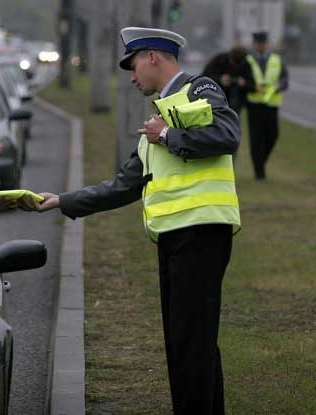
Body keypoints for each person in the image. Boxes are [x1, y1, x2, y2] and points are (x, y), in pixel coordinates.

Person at [22, 27, 241, 415]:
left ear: (153, 57)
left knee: (191, 342)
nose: (132, 75)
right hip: (174, 239)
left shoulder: (199, 90)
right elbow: (123, 185)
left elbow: (227, 135)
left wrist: (169, 135)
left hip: (203, 234)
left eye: (134, 64)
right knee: (186, 343)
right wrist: (61, 201)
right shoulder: (156, 120)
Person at [245, 31, 289, 180]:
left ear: (267, 44)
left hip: (272, 104)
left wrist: (279, 85)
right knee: (256, 139)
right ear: (253, 44)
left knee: (272, 136)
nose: (261, 46)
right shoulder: (247, 60)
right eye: (258, 43)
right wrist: (252, 87)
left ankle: (260, 162)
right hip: (254, 105)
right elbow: (243, 81)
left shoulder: (277, 59)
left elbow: (285, 79)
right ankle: (259, 173)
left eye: (263, 43)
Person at [202, 45, 252, 116]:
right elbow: (204, 77)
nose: (235, 66)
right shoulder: (219, 60)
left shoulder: (246, 64)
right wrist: (220, 79)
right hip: (217, 99)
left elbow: (252, 84)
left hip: (237, 99)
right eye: (233, 63)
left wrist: (244, 83)